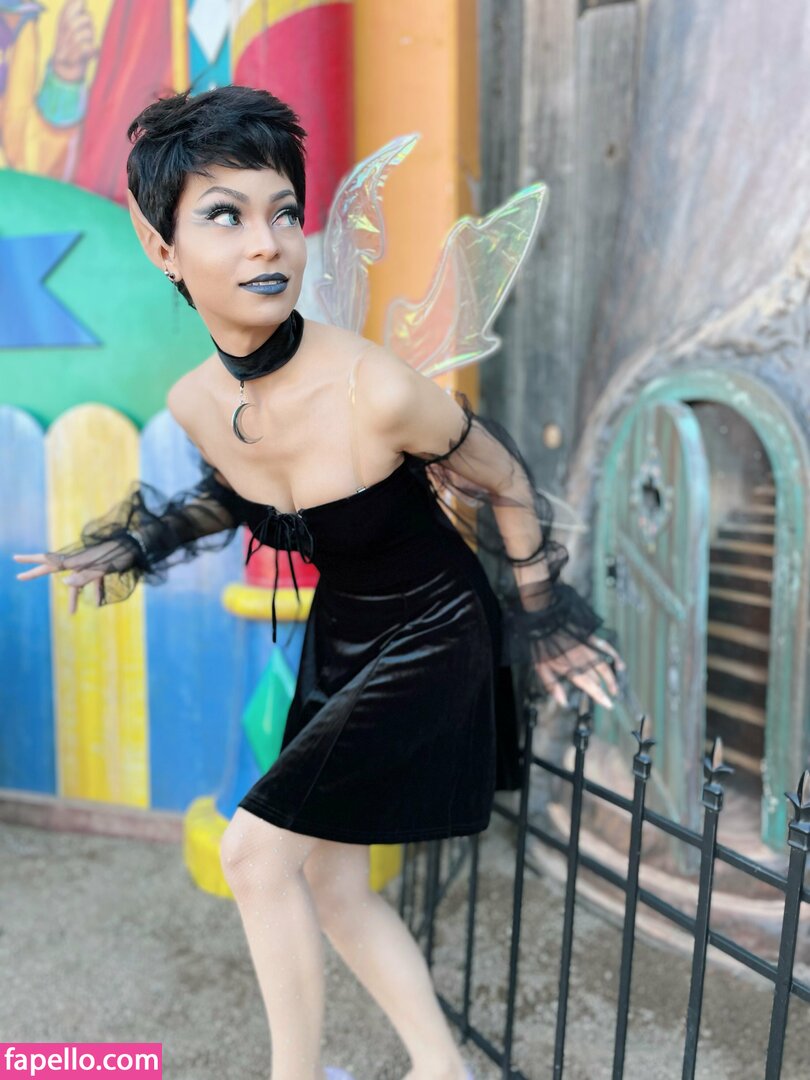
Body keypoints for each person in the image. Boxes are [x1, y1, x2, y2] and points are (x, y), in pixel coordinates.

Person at [14, 85, 624, 1080]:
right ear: (164, 249)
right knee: (335, 883)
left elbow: (506, 479)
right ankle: (443, 1068)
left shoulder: (373, 387)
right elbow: (239, 493)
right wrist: (133, 545)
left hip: (436, 628)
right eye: (226, 215)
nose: (269, 244)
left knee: (254, 854)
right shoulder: (195, 402)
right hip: (343, 632)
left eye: (285, 213)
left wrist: (544, 616)